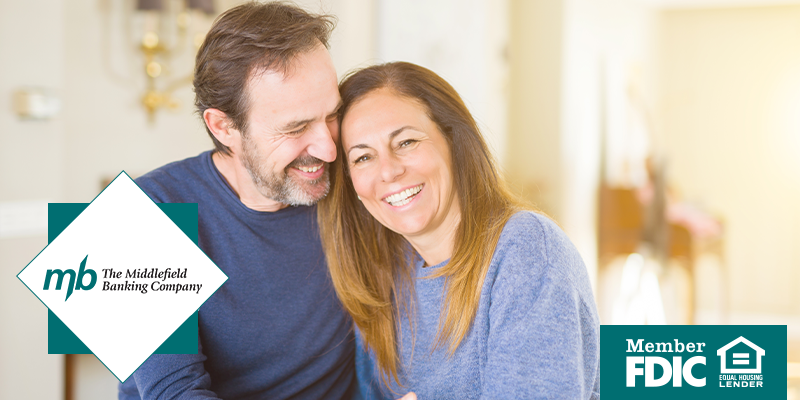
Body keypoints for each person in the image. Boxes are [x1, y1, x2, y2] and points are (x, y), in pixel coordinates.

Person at [318, 62, 600, 399]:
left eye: (406, 142)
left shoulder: (526, 249)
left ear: (453, 139)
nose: (389, 171)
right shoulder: (381, 278)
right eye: (363, 158)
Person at [118, 2, 354, 399]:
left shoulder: (357, 184)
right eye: (296, 127)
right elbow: (174, 393)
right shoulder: (135, 215)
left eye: (331, 115)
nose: (329, 150)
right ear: (224, 126)